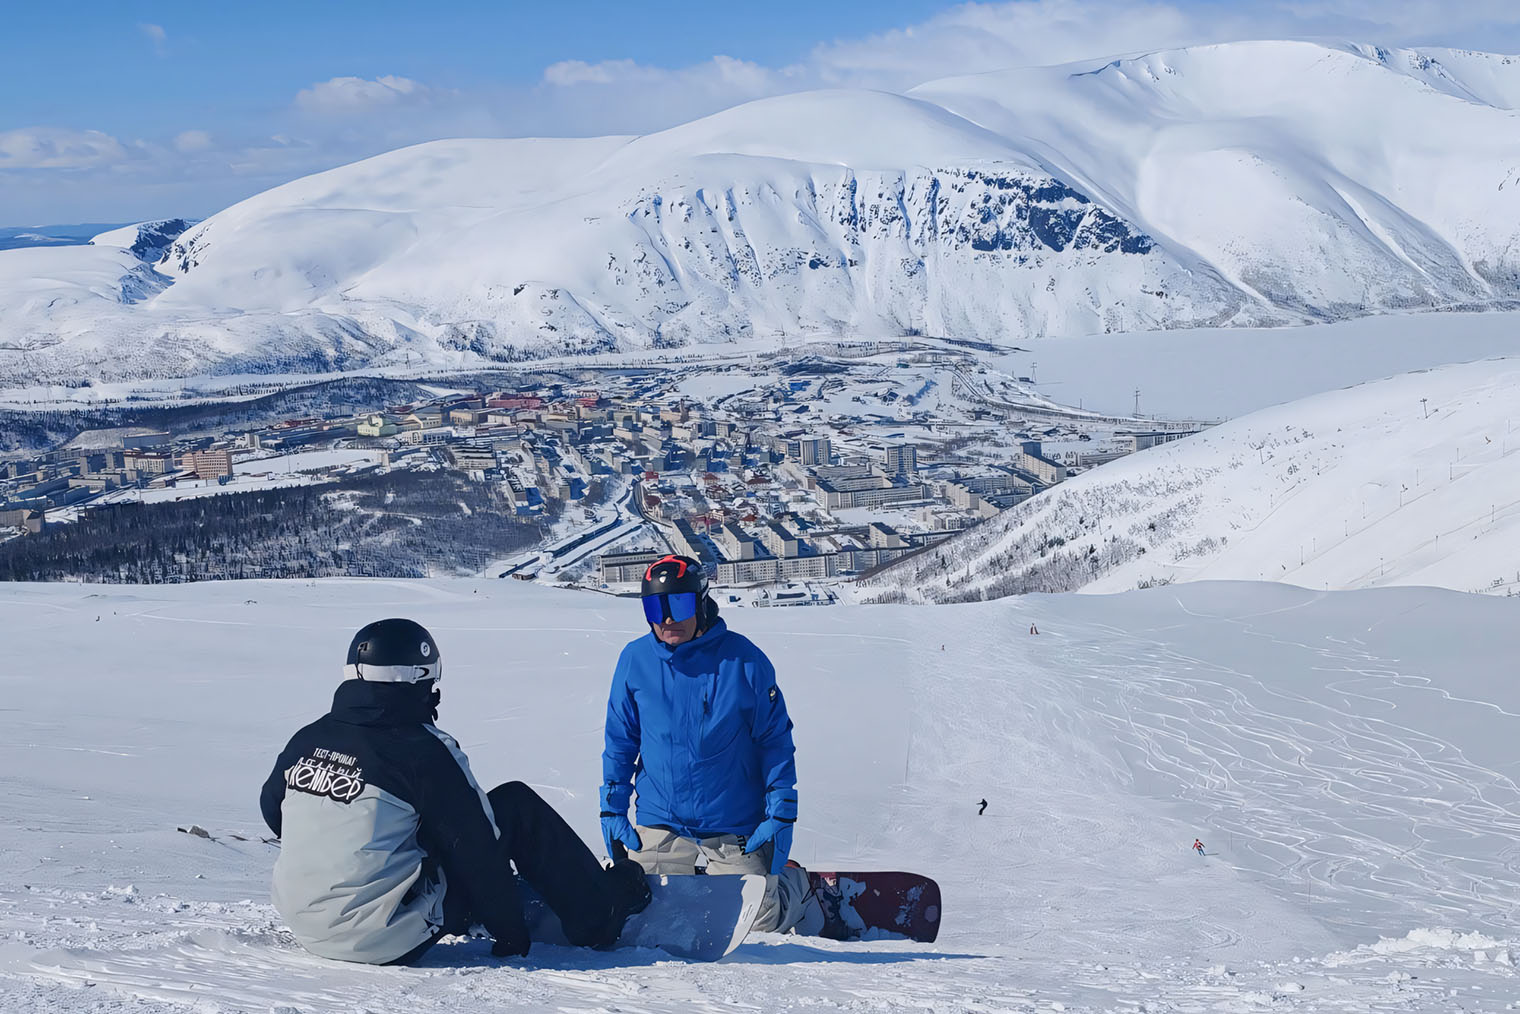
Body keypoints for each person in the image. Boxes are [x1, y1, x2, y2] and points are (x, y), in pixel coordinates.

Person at [260, 618, 650, 965]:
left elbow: (272, 810)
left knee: (411, 820)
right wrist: (510, 932)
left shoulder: (310, 737)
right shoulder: (422, 750)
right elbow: (477, 848)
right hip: (380, 937)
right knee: (513, 805)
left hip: (305, 925)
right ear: (418, 678)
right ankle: (600, 915)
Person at [601, 555, 814, 934]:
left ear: (700, 602)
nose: (667, 618)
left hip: (731, 822)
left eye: (678, 605)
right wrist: (612, 808)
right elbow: (621, 740)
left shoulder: (743, 660)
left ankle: (795, 885)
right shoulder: (634, 661)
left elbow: (774, 739)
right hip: (661, 818)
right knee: (637, 919)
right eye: (655, 606)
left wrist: (781, 808)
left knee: (757, 926)